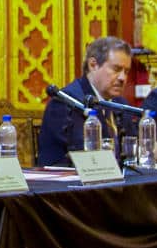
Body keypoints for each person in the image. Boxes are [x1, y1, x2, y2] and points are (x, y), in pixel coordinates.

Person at [36, 35, 133, 166]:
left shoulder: (120, 104)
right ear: (93, 65)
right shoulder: (66, 103)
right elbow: (80, 154)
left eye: (126, 71)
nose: (122, 78)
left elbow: (129, 150)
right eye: (116, 69)